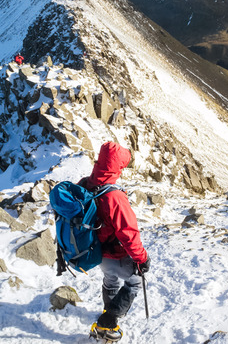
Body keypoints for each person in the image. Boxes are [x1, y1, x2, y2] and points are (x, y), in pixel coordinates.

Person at [79, 142, 151, 342]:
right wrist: (141, 258)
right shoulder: (114, 196)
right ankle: (108, 323)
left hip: (97, 251)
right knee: (135, 282)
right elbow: (128, 232)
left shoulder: (87, 183)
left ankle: (108, 310)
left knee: (110, 280)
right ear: (117, 166)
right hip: (116, 253)